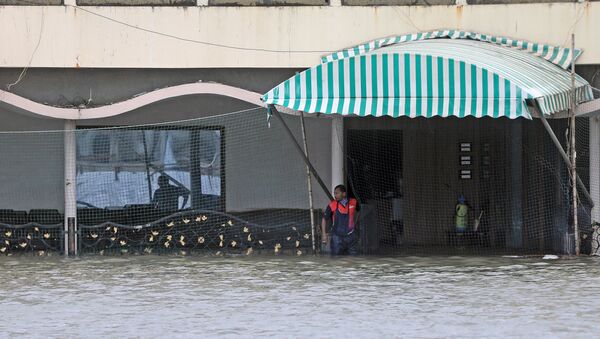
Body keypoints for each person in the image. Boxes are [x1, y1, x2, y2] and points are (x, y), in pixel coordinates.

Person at [321, 184, 360, 255]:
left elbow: (359, 212)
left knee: (353, 259)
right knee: (336, 259)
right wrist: (324, 234)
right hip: (337, 237)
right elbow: (324, 219)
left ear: (344, 194)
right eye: (334, 193)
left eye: (337, 193)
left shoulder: (354, 202)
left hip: (351, 236)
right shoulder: (332, 205)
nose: (335, 195)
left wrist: (355, 223)